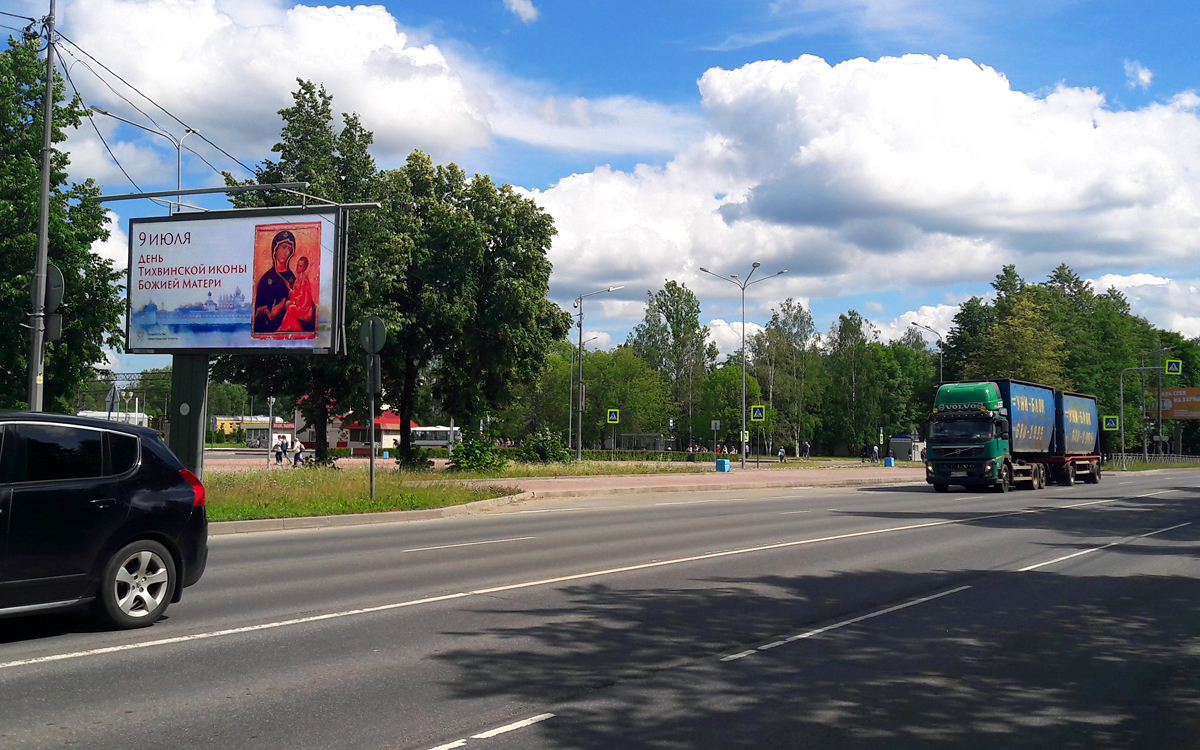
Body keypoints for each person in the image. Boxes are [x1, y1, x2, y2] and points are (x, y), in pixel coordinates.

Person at [254, 231, 298, 335]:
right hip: (271, 333)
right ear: (275, 249)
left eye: (289, 250)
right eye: (283, 247)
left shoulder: (292, 278)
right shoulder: (266, 279)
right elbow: (259, 315)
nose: (285, 253)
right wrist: (271, 312)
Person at [278, 255, 316, 333]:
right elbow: (295, 294)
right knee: (288, 303)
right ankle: (292, 327)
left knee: (291, 308)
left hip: (304, 308)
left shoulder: (304, 280)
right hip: (299, 304)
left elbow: (303, 297)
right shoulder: (297, 280)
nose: (297, 267)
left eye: (300, 266)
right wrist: (290, 289)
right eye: (297, 265)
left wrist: (294, 299)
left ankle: (284, 328)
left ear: (304, 268)